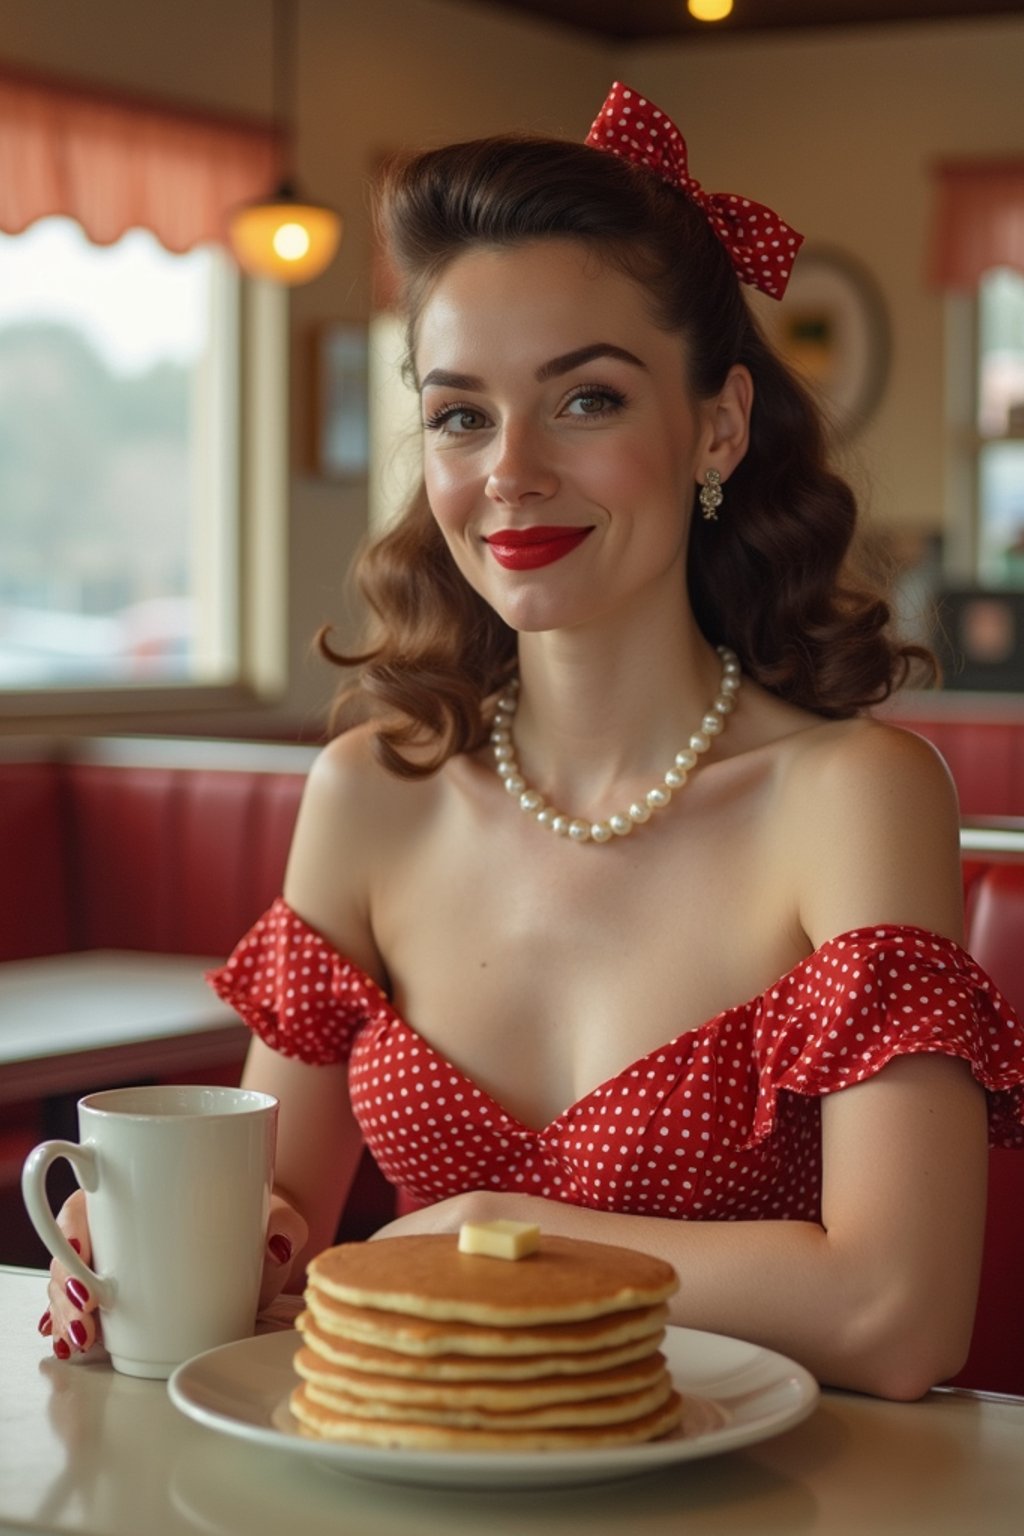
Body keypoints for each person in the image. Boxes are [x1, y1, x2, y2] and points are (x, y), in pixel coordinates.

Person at [42, 82, 1024, 1398]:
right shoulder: (366, 796)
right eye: (460, 413)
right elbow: (279, 1224)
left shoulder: (854, 796)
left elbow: (902, 1316)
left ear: (717, 425)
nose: (508, 469)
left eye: (587, 400)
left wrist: (492, 1236)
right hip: (418, 1482)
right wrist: (190, 1257)